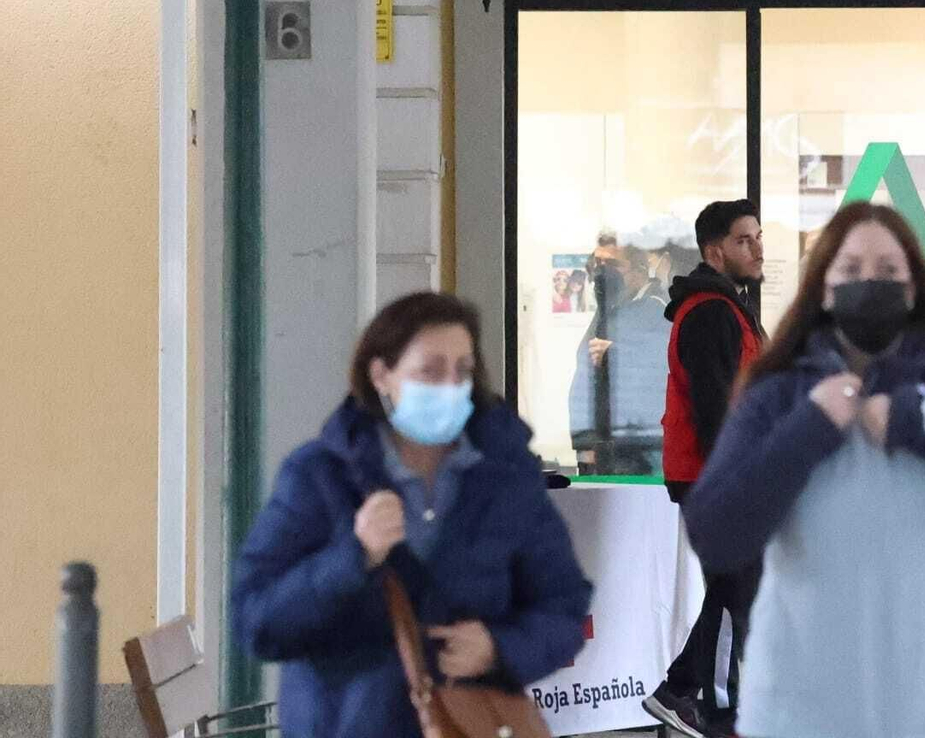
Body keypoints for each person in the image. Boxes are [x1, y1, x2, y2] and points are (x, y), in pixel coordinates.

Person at [684, 201, 925, 738]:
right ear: (822, 287)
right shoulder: (778, 392)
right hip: (799, 716)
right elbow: (717, 533)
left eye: (890, 271)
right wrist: (811, 427)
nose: (870, 283)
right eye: (850, 270)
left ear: (914, 288)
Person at [232, 292, 593, 738]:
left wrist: (498, 648)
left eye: (461, 371)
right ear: (381, 375)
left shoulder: (505, 477)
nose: (449, 387)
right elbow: (257, 623)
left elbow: (563, 607)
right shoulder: (319, 475)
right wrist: (354, 555)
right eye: (430, 371)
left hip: (467, 723)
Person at [645, 200, 767, 738]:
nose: (758, 248)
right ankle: (714, 711)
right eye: (745, 240)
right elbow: (714, 405)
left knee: (734, 584)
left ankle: (681, 694)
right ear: (715, 250)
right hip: (712, 473)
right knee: (733, 586)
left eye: (759, 237)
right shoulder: (711, 311)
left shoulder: (726, 306)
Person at [569, 237, 672, 474]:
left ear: (639, 271)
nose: (602, 273)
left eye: (612, 264)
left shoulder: (656, 310)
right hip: (607, 443)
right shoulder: (613, 312)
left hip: (638, 447)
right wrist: (585, 442)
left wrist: (615, 356)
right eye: (597, 264)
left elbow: (659, 372)